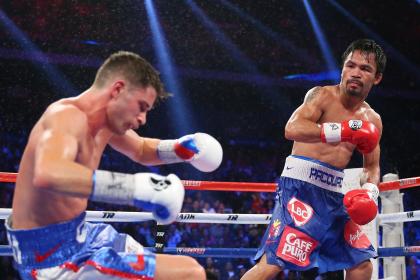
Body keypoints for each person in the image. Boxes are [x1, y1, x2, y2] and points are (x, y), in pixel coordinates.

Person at [6, 51, 223, 280]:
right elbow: (48, 173)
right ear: (117, 89)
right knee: (191, 274)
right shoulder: (66, 116)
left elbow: (140, 150)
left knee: (172, 263)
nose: (142, 119)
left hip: (84, 235)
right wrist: (138, 189)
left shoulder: (103, 123)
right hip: (50, 258)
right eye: (141, 106)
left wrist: (180, 149)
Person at [241, 38, 386, 280]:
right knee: (272, 264)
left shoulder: (373, 120)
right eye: (351, 65)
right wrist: (340, 131)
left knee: (362, 263)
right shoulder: (321, 95)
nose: (356, 73)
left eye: (365, 69)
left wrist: (369, 192)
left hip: (333, 197)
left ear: (377, 77)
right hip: (299, 190)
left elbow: (371, 165)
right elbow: (292, 128)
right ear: (342, 68)